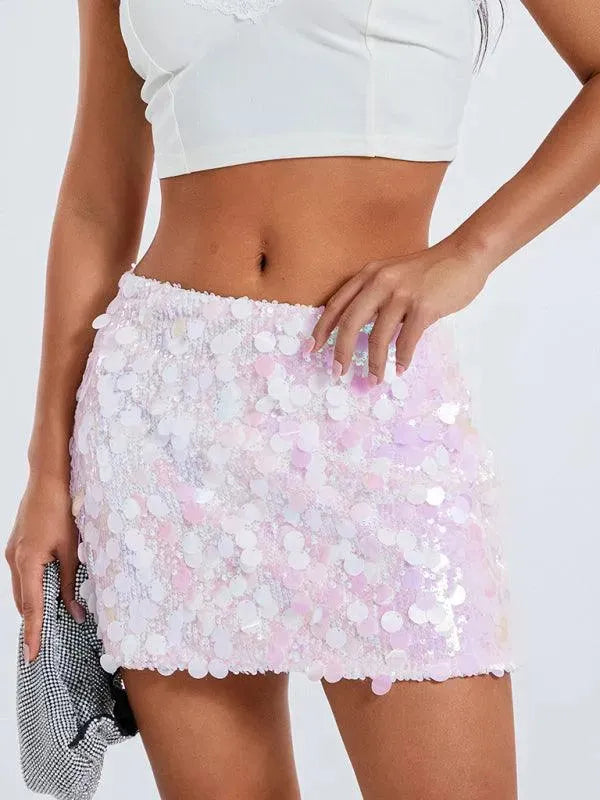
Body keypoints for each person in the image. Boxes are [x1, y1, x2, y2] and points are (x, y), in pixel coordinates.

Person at [6, 1, 600, 797]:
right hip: (163, 422)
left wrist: (471, 253)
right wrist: (48, 471)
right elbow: (96, 199)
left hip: (375, 406)